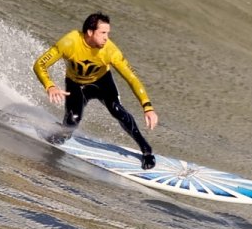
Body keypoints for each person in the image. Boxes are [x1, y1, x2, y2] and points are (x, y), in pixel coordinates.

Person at [33, 12, 160, 169]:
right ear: (90, 32)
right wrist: (50, 86)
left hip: (102, 83)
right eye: (103, 33)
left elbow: (132, 78)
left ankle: (146, 150)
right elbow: (39, 64)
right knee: (72, 121)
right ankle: (63, 132)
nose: (106, 37)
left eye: (108, 33)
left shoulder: (111, 51)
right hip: (76, 84)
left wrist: (147, 107)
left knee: (117, 110)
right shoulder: (70, 42)